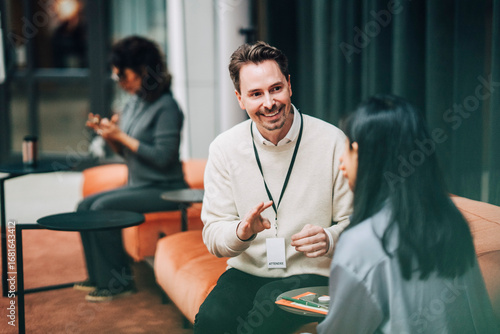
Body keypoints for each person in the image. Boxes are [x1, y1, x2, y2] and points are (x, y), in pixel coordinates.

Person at [194, 41, 353, 334]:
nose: (269, 102)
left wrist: (329, 238)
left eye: (275, 88)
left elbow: (359, 224)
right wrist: (242, 231)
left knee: (265, 313)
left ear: (289, 86)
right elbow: (213, 236)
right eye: (256, 94)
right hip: (247, 271)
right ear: (240, 99)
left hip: (312, 273)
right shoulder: (224, 148)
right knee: (212, 320)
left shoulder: (333, 142)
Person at [317, 94, 499, 333]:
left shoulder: (362, 242)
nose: (341, 161)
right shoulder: (452, 221)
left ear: (362, 153)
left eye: (348, 147)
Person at [75, 36, 187, 302]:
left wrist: (121, 136)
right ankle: (99, 276)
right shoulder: (135, 101)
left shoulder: (167, 107)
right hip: (139, 184)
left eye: (122, 75)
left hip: (166, 189)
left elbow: (163, 157)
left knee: (102, 208)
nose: (120, 82)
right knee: (84, 207)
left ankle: (119, 283)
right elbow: (127, 153)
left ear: (143, 71)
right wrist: (111, 137)